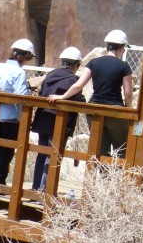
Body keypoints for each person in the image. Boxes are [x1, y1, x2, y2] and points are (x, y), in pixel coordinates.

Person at [48, 30, 133, 158]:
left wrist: (62, 96)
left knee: (100, 149)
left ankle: (100, 171)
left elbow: (78, 85)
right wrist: (127, 110)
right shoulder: (124, 66)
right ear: (121, 49)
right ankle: (120, 171)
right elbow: (128, 93)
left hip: (94, 110)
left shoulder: (93, 62)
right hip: (115, 110)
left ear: (107, 47)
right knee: (122, 148)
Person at [30, 46, 86, 192]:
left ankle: (36, 187)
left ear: (62, 62)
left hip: (43, 119)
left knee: (42, 153)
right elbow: (78, 100)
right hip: (61, 123)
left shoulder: (50, 75)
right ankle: (46, 190)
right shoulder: (73, 80)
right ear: (76, 65)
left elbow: (42, 93)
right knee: (54, 155)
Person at [0, 38, 34, 185]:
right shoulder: (19, 72)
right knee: (6, 150)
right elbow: (22, 95)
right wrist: (30, 91)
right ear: (26, 56)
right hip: (11, 116)